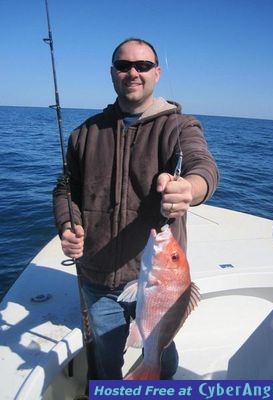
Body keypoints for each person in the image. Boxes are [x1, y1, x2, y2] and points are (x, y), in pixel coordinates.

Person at [53, 38, 219, 383]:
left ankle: (160, 381)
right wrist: (68, 224)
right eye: (123, 65)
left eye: (143, 66)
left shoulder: (180, 127)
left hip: (160, 279)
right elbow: (66, 188)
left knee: (160, 351)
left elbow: (203, 167)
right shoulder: (84, 133)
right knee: (106, 355)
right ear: (112, 73)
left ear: (156, 73)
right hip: (97, 274)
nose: (133, 72)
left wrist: (190, 188)